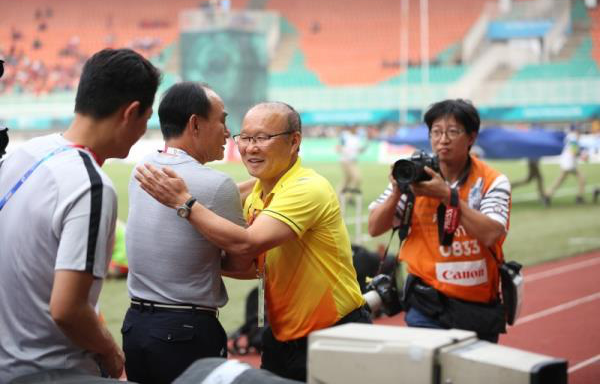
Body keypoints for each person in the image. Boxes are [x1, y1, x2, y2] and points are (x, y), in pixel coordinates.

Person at [134, 101, 370, 382]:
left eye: (262, 138)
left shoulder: (308, 188)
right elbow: (250, 266)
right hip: (281, 334)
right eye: (245, 137)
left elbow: (247, 243)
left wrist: (183, 203)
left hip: (333, 331)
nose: (250, 147)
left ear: (294, 141)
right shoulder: (258, 194)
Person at [0, 48, 160, 382]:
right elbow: (68, 309)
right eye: (146, 119)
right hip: (50, 370)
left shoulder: (21, 155)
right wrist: (111, 351)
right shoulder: (91, 186)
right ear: (131, 112)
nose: (144, 129)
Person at [122, 82, 248, 384]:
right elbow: (242, 261)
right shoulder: (216, 184)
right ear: (195, 123)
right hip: (186, 333)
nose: (228, 132)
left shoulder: (144, 168)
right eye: (222, 120)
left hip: (136, 327)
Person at [368, 99, 511, 343]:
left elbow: (491, 234)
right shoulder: (415, 177)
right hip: (426, 303)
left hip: (477, 304)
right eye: (436, 132)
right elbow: (375, 227)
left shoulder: (492, 181)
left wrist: (446, 195)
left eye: (453, 131)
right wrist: (396, 192)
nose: (443, 139)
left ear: (471, 137)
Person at [545, 126, 586, 204]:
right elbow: (574, 152)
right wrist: (582, 155)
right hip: (569, 163)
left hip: (568, 162)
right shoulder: (573, 138)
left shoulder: (571, 138)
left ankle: (548, 195)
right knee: (581, 178)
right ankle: (579, 197)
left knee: (561, 180)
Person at [336, 125, 367, 195]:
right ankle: (349, 197)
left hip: (353, 161)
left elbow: (358, 150)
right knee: (357, 178)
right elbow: (338, 147)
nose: (356, 129)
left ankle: (339, 196)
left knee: (347, 180)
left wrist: (363, 149)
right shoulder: (345, 135)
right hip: (346, 161)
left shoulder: (357, 137)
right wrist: (344, 152)